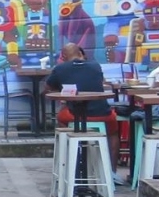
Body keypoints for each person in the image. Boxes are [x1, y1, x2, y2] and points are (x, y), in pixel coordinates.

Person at [46, 42, 119, 173]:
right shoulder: (95, 66)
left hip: (75, 115)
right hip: (103, 114)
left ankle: (71, 163)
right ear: (80, 54)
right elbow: (100, 81)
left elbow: (48, 88)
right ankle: (112, 172)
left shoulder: (60, 68)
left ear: (63, 57)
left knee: (61, 117)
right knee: (113, 132)